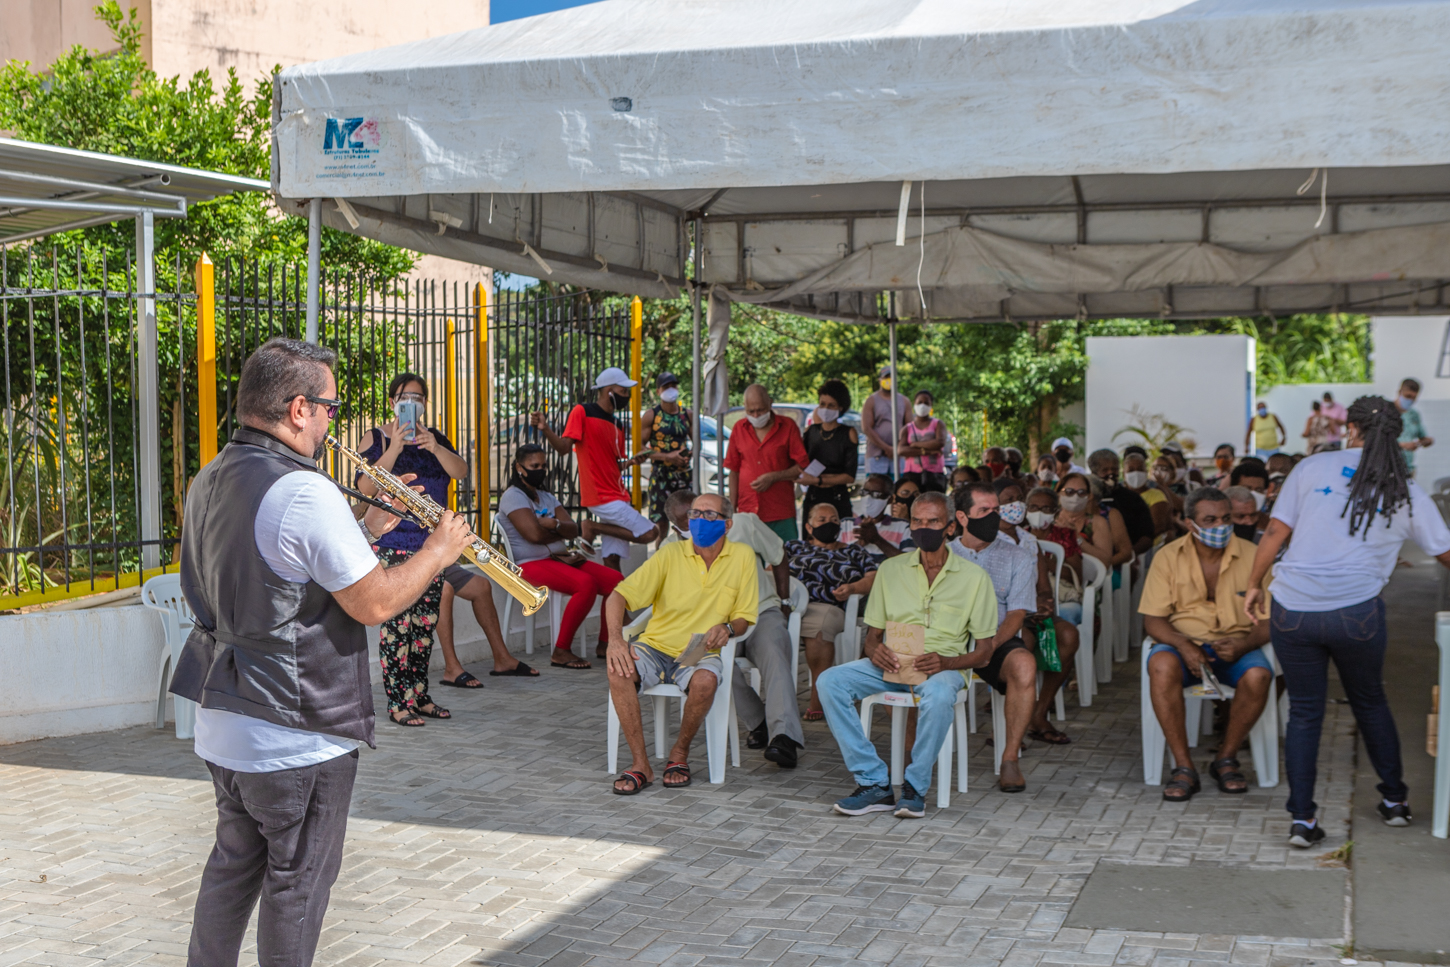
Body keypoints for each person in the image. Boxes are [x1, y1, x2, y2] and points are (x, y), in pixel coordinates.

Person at [170, 337, 476, 966]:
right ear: (300, 408)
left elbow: (274, 572)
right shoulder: (304, 492)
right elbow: (377, 603)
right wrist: (438, 552)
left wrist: (362, 531)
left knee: (232, 868)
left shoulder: (210, 476)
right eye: (332, 408)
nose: (335, 421)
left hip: (223, 720)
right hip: (293, 728)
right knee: (298, 883)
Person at [1245, 396, 1450, 845]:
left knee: (1304, 712)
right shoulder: (1406, 490)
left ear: (1351, 430)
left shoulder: (1312, 468)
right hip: (1357, 613)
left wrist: (1254, 584)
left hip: (1294, 609)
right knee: (1370, 701)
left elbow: (1277, 532)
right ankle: (1395, 801)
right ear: (1395, 436)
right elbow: (1445, 551)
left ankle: (1303, 820)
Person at [817, 491, 1000, 818]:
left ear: (949, 528)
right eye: (917, 521)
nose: (923, 528)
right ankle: (874, 783)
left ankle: (914, 787)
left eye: (932, 521)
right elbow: (871, 639)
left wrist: (947, 663)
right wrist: (877, 653)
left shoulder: (975, 579)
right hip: (894, 665)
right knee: (830, 681)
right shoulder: (890, 570)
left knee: (941, 692)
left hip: (943, 668)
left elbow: (985, 654)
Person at [603, 493, 759, 793]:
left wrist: (727, 627)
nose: (700, 520)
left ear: (727, 524)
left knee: (705, 682)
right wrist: (615, 641)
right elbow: (619, 596)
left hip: (700, 651)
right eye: (695, 514)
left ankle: (679, 754)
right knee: (617, 669)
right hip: (656, 646)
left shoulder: (742, 557)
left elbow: (745, 617)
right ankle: (641, 765)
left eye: (709, 515)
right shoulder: (670, 554)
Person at [1140, 487, 1274, 802]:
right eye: (1210, 520)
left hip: (1237, 646)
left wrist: (1244, 645)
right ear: (1190, 523)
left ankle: (1225, 758)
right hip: (1182, 644)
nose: (1220, 527)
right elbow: (1153, 621)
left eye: (1226, 519)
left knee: (1259, 676)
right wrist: (1183, 645)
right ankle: (1183, 766)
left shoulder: (1254, 556)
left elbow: (1271, 620)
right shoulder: (1168, 557)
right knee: (1160, 664)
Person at [357, 373, 472, 727]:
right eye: (406, 395)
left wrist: (434, 446)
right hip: (392, 545)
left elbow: (462, 472)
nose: (413, 401)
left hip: (431, 548)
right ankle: (397, 702)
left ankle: (419, 696)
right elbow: (364, 485)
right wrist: (395, 446)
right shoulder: (375, 437)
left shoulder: (433, 438)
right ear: (393, 401)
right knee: (397, 627)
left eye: (419, 396)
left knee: (423, 626)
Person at [660, 490, 804, 767]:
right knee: (708, 662)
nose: (696, 526)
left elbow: (778, 555)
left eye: (701, 515)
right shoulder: (670, 550)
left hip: (760, 611)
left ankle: (784, 737)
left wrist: (784, 602)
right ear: (676, 527)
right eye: (687, 523)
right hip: (714, 625)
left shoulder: (744, 524)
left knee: (774, 652)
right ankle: (759, 721)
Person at [498, 444, 622, 668]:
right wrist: (557, 531)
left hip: (561, 559)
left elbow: (573, 529)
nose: (540, 470)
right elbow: (533, 535)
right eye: (534, 466)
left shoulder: (545, 496)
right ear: (519, 468)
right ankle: (561, 650)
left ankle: (606, 643)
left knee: (617, 582)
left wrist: (553, 524)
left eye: (543, 466)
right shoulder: (513, 496)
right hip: (530, 564)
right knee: (586, 584)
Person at [530, 366, 659, 570]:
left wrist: (632, 462)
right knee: (651, 533)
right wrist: (545, 428)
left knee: (612, 560)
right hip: (602, 497)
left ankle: (614, 602)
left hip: (617, 494)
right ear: (609, 391)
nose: (626, 396)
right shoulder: (582, 411)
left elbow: (612, 464)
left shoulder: (617, 423)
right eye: (623, 391)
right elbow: (564, 448)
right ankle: (592, 527)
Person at [989, 479, 1083, 747]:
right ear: (993, 506)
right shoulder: (987, 541)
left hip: (1031, 613)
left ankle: (1039, 712)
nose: (1015, 505)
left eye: (1019, 499)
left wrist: (1044, 604)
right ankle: (1007, 725)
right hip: (1003, 616)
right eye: (1007, 500)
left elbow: (1043, 587)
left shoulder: (1030, 541)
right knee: (1022, 643)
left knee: (1068, 635)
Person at [788, 501, 879, 721]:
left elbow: (873, 577)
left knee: (820, 628)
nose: (829, 524)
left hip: (828, 605)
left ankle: (818, 699)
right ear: (809, 527)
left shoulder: (854, 551)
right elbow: (770, 572)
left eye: (834, 520)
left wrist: (852, 588)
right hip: (789, 607)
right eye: (822, 520)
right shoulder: (793, 547)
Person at [725, 383, 808, 543]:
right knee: (750, 563)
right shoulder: (739, 428)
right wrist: (732, 509)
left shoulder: (788, 426)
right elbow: (733, 471)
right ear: (745, 408)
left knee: (786, 559)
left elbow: (802, 465)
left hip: (781, 511)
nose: (756, 415)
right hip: (747, 510)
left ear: (770, 403)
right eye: (751, 411)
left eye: (761, 410)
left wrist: (774, 477)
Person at [798, 379, 859, 521]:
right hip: (813, 497)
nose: (825, 409)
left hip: (838, 498)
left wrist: (818, 480)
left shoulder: (848, 433)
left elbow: (849, 476)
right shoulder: (811, 432)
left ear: (841, 408)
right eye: (822, 404)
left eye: (831, 406)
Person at [639, 372, 693, 531]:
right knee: (660, 524)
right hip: (660, 476)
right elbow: (641, 449)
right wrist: (667, 457)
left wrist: (689, 454)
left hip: (683, 475)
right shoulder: (651, 415)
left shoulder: (687, 415)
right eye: (666, 386)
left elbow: (697, 443)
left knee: (687, 521)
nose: (671, 389)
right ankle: (661, 553)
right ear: (658, 391)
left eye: (673, 386)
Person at [1087, 448, 1154, 554]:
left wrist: (1129, 556)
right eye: (1105, 470)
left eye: (1114, 470)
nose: (1111, 474)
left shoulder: (1132, 499)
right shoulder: (1088, 499)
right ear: (1093, 473)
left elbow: (1147, 536)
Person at [841, 473, 914, 559]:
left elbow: (910, 562)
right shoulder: (845, 524)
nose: (868, 498)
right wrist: (858, 544)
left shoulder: (903, 526)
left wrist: (877, 540)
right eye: (864, 492)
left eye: (876, 494)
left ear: (889, 499)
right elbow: (835, 560)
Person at [860, 364, 909, 476]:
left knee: (897, 487)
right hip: (876, 456)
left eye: (891, 377)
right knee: (876, 487)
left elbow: (909, 427)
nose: (889, 380)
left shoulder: (904, 401)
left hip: (898, 456)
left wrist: (897, 448)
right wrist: (886, 448)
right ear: (880, 380)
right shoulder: (871, 401)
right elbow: (867, 428)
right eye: (886, 377)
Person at [900, 390, 947, 491]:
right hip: (912, 473)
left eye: (926, 403)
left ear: (931, 406)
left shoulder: (938, 424)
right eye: (919, 402)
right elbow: (901, 450)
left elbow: (939, 443)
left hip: (934, 473)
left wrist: (915, 444)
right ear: (914, 404)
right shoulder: (907, 428)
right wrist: (928, 451)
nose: (922, 405)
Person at [1123, 449, 1173, 540]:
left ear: (1146, 472)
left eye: (1140, 469)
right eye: (1131, 470)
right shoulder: (1120, 495)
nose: (1136, 473)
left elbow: (1157, 528)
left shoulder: (1156, 495)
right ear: (1124, 474)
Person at [1395, 378, 1434, 476]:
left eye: (1414, 397)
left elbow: (1422, 436)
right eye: (1408, 396)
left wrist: (1424, 441)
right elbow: (1378, 440)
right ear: (1400, 392)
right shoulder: (1386, 413)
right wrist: (1403, 445)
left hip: (1407, 469)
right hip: (1389, 468)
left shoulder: (1414, 415)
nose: (1410, 400)